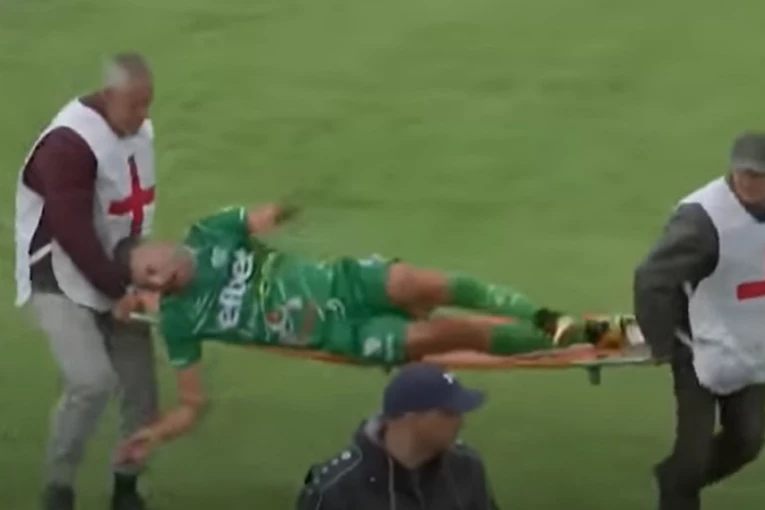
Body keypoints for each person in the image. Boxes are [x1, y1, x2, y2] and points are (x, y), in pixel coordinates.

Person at [113, 203, 631, 463]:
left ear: (159, 246)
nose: (158, 280)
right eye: (147, 282)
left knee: (420, 282)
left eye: (151, 268)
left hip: (345, 282)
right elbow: (192, 405)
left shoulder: (211, 232)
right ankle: (593, 337)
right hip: (344, 333)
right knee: (451, 334)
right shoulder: (180, 320)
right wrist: (154, 434)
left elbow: (269, 213)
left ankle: (553, 321)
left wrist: (281, 210)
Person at [14, 53, 158, 510]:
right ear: (110, 96)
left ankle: (126, 488)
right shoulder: (68, 145)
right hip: (57, 276)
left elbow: (133, 217)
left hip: (115, 273)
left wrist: (141, 280)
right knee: (90, 381)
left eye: (148, 104)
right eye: (135, 105)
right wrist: (119, 290)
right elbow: (71, 229)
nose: (143, 116)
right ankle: (58, 489)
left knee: (142, 390)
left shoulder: (138, 132)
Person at [634, 132, 765, 510]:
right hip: (698, 347)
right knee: (693, 455)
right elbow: (653, 279)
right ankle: (678, 492)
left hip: (751, 346)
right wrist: (664, 343)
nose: (749, 182)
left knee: (748, 440)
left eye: (759, 175)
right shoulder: (702, 220)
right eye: (744, 173)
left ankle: (673, 480)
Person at [295, 362, 500, 509]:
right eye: (449, 413)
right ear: (410, 418)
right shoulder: (336, 489)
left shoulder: (467, 469)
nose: (461, 422)